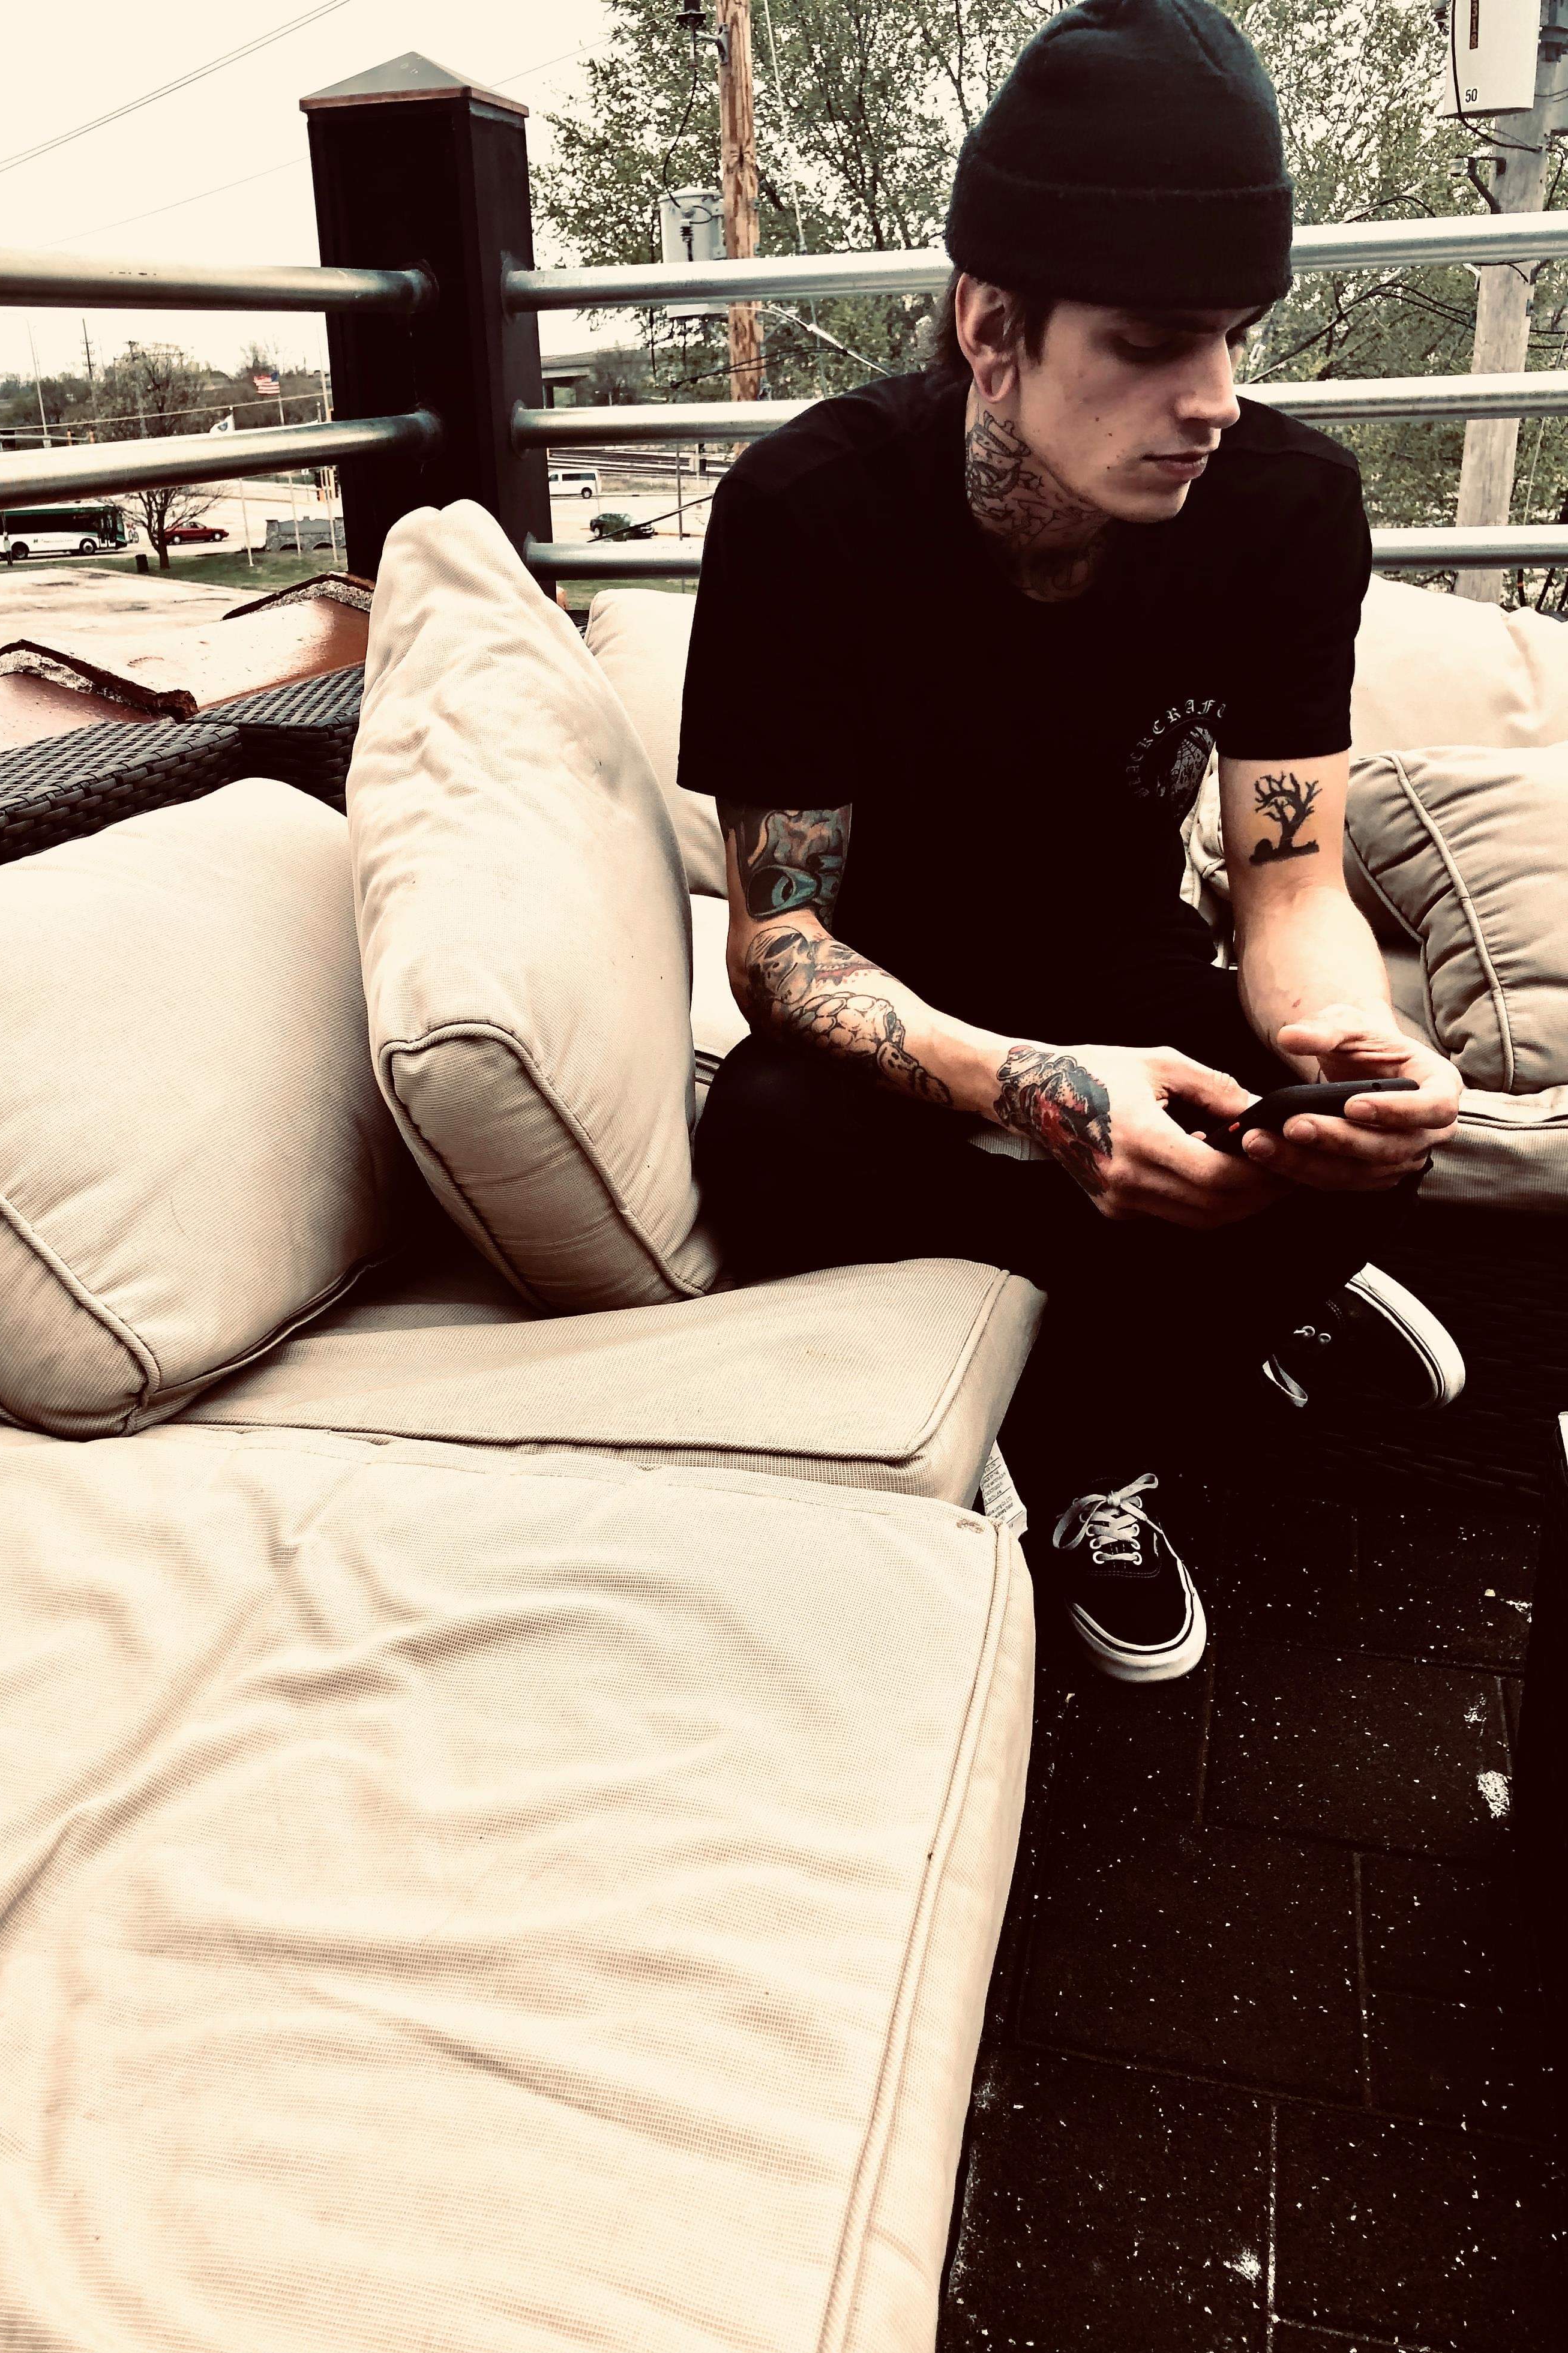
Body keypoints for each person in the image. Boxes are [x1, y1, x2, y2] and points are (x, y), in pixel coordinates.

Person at [682, 0, 1464, 1684]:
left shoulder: (1286, 509)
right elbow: (783, 948)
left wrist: (1347, 1036)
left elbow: (1289, 882)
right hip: (902, 1013)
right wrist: (1035, 1091)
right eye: (1155, 344)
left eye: (1237, 339)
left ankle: (1105, 1446)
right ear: (992, 326)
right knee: (763, 1145)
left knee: (1355, 1136)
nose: (1214, 400)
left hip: (1129, 973)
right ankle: (1198, 1327)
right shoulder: (807, 515)